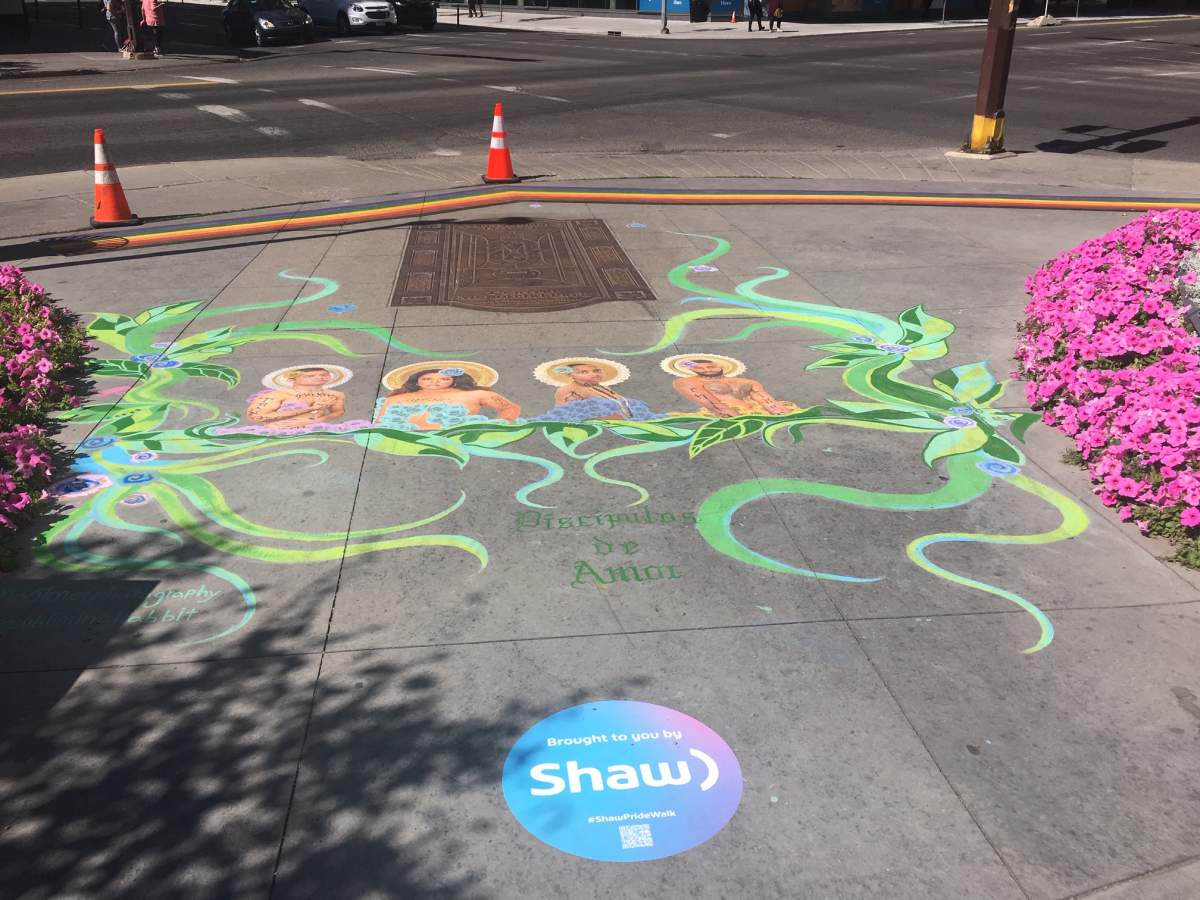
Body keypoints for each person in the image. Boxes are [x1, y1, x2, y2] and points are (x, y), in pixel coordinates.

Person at [374, 365, 521, 432]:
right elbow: (379, 423)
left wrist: (500, 426)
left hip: (456, 435)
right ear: (417, 380)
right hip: (403, 438)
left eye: (444, 378)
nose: (435, 382)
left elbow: (509, 407)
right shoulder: (396, 398)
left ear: (455, 380)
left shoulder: (475, 394)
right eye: (427, 379)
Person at [662, 354, 797, 418]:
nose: (706, 369)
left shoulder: (746, 381)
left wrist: (781, 414)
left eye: (710, 366)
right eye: (700, 368)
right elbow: (709, 401)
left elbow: (766, 399)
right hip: (730, 415)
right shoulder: (688, 382)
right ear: (693, 371)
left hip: (755, 412)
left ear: (719, 366)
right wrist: (734, 417)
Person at [534, 357, 660, 423]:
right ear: (570, 375)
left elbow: (621, 402)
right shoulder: (567, 390)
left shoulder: (603, 388)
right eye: (584, 372)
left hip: (627, 419)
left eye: (596, 371)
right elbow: (566, 413)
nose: (594, 374)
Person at [245, 367, 347, 431]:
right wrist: (310, 409)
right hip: (278, 433)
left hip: (316, 432)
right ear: (292, 379)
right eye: (310, 376)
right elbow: (256, 417)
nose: (319, 377)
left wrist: (311, 422)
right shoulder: (276, 395)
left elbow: (338, 411)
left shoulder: (335, 394)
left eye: (324, 375)